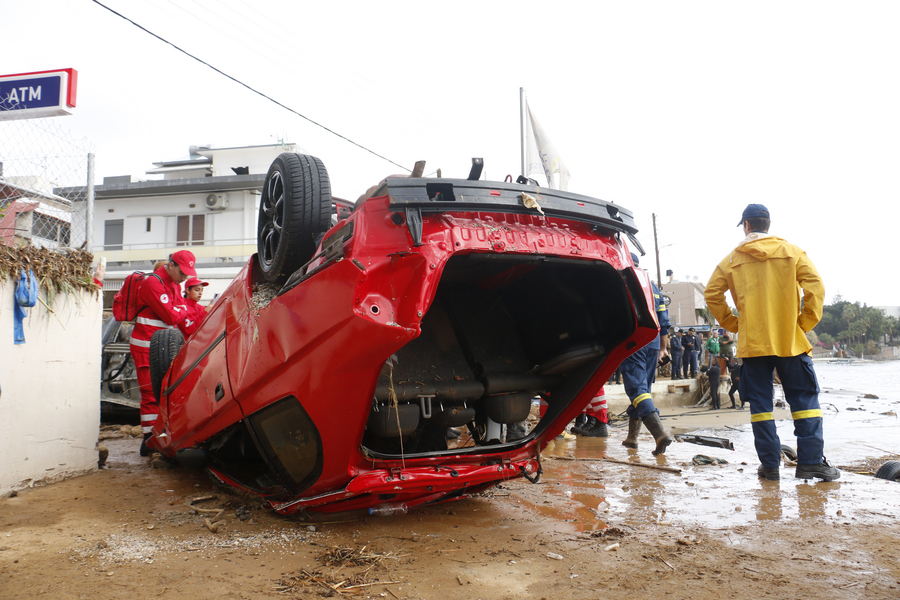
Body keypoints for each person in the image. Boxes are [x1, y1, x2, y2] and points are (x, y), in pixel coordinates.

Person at [705, 203, 839, 482]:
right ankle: (811, 463)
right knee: (806, 402)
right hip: (790, 342)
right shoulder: (792, 252)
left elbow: (712, 295)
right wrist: (803, 324)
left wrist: (736, 324)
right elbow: (815, 287)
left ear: (746, 225)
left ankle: (770, 466)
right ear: (768, 224)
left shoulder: (730, 260)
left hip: (754, 346)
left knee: (761, 408)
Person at [130, 250, 197, 456]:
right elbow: (170, 316)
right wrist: (179, 310)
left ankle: (159, 436)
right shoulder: (153, 283)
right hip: (145, 345)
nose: (185, 277)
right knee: (150, 394)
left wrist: (179, 310)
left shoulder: (173, 285)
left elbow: (179, 310)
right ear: (171, 265)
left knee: (167, 392)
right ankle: (148, 441)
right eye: (183, 272)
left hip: (163, 345)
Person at [621, 253, 672, 455]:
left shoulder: (623, 279)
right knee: (643, 391)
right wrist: (663, 348)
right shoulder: (652, 285)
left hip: (633, 341)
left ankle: (660, 435)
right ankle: (632, 438)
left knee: (636, 389)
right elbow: (664, 321)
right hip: (652, 342)